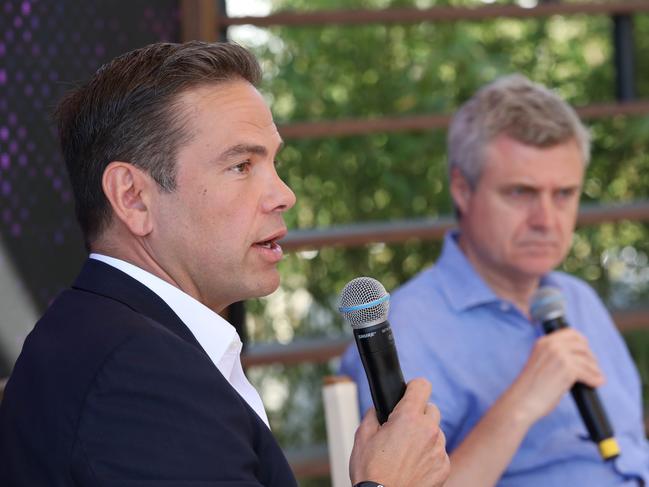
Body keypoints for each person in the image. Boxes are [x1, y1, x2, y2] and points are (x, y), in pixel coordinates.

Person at [0, 41, 450, 487]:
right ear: (133, 197)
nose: (284, 195)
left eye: (274, 163)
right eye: (240, 165)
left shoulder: (109, 339)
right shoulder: (137, 378)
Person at [341, 74, 649, 486]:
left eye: (564, 194)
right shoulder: (407, 329)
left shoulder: (578, 298)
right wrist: (520, 404)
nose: (546, 221)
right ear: (463, 190)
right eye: (521, 193)